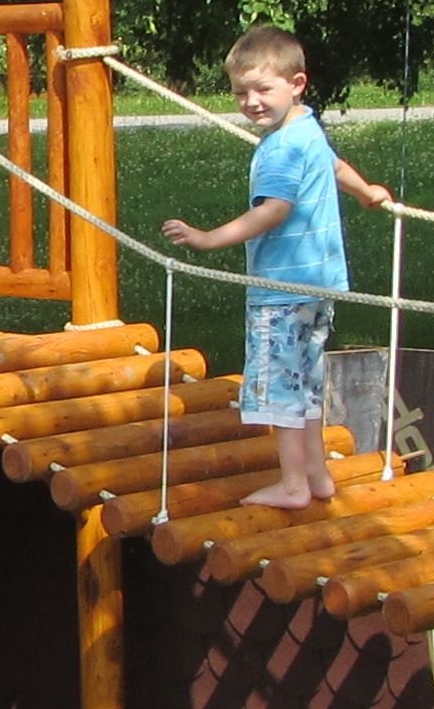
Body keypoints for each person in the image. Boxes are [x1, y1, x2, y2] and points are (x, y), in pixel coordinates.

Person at [160, 26, 394, 509]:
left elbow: (272, 210)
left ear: (297, 83)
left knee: (279, 390)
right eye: (241, 92)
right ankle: (317, 476)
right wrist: (366, 189)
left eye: (263, 89)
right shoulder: (307, 126)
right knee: (305, 382)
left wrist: (208, 238)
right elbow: (334, 166)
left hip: (281, 291)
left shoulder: (280, 149)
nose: (251, 102)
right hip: (320, 286)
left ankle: (292, 486)